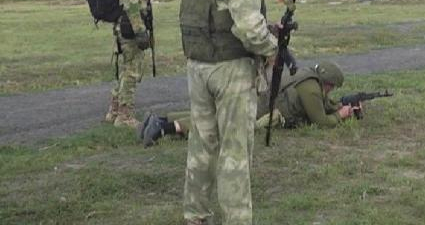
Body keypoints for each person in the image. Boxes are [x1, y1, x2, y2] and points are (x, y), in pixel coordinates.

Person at [179, 0, 284, 225]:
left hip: (198, 65)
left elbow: (214, 15)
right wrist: (273, 50)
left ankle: (196, 222)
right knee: (236, 151)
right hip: (230, 69)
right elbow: (248, 27)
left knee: (201, 144)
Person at [139, 61, 359, 146]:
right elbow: (321, 120)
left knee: (215, 113)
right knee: (221, 125)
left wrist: (339, 105)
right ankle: (166, 128)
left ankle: (162, 118)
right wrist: (342, 115)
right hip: (261, 110)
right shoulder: (311, 88)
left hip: (257, 99)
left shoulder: (307, 77)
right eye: (331, 87)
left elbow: (321, 103)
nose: (330, 91)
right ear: (327, 82)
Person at [103, 0, 168, 128]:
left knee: (126, 69)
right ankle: (125, 116)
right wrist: (140, 31)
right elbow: (131, 4)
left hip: (126, 25)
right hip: (130, 28)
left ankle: (114, 111)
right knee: (132, 71)